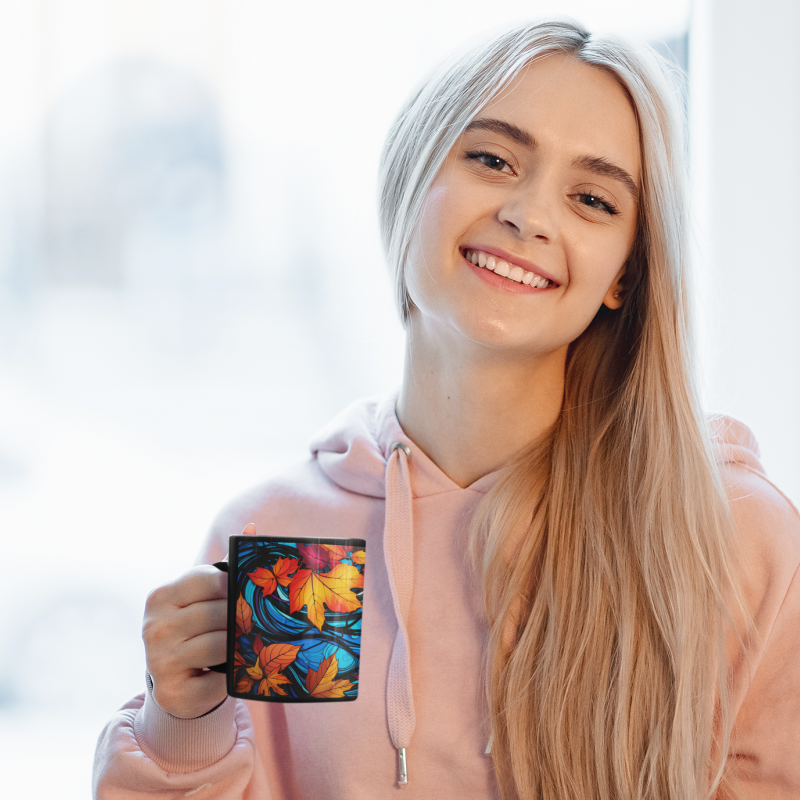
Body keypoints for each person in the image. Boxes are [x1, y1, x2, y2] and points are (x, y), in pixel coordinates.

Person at [93, 19, 800, 800]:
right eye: (493, 159)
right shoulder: (283, 538)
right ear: (412, 176)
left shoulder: (733, 538)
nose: (530, 215)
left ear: (623, 277)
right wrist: (183, 723)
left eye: (592, 198)